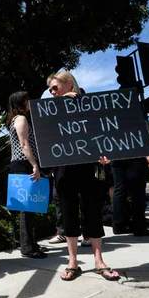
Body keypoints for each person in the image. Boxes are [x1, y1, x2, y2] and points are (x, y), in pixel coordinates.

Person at [46, 71, 120, 282]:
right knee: (68, 213)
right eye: (50, 89)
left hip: (88, 167)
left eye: (55, 87)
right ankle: (73, 262)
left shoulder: (88, 103)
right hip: (63, 168)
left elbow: (102, 131)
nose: (52, 92)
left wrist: (106, 155)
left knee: (92, 211)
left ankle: (99, 261)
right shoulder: (49, 110)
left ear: (69, 84)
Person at [6, 91, 49, 259]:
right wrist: (34, 165)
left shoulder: (14, 119)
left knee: (29, 206)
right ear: (21, 103)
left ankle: (31, 243)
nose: (30, 103)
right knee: (27, 207)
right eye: (27, 100)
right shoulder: (21, 119)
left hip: (20, 163)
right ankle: (27, 247)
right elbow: (24, 144)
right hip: (24, 163)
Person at [111, 156, 149, 236]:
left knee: (119, 190)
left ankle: (118, 225)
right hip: (134, 156)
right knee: (138, 191)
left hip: (116, 156)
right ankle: (139, 227)